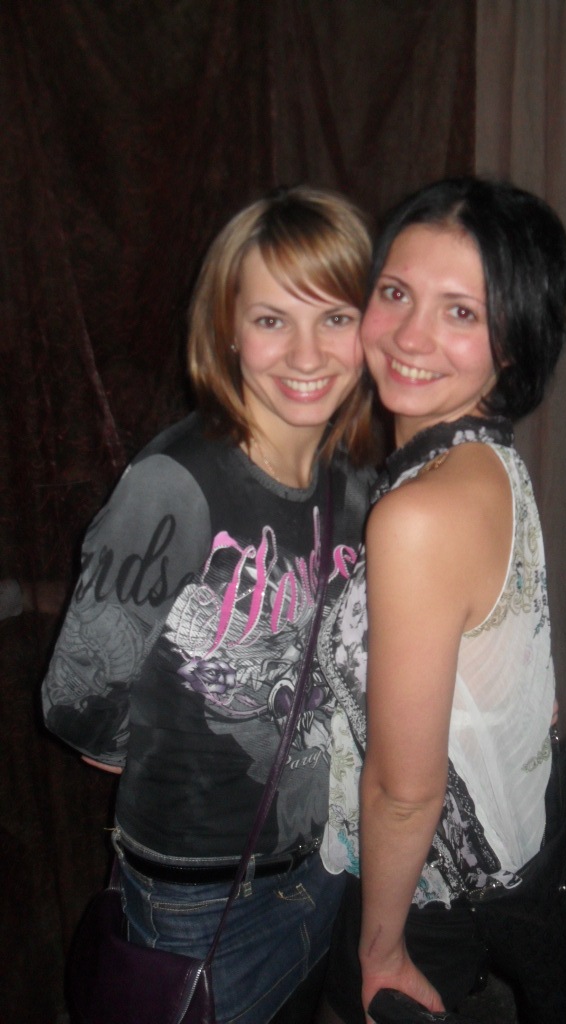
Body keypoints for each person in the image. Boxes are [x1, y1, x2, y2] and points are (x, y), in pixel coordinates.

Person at [41, 185, 379, 1024]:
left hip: (326, 867)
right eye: (271, 320)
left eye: (335, 317)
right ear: (227, 329)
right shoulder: (174, 484)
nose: (306, 352)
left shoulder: (358, 485)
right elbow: (78, 701)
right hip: (198, 902)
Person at [315, 178, 566, 1024]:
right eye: (396, 293)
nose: (411, 336)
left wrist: (379, 950)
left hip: (427, 896)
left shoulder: (418, 516)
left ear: (514, 343)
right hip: (514, 849)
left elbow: (405, 793)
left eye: (461, 312)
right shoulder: (488, 457)